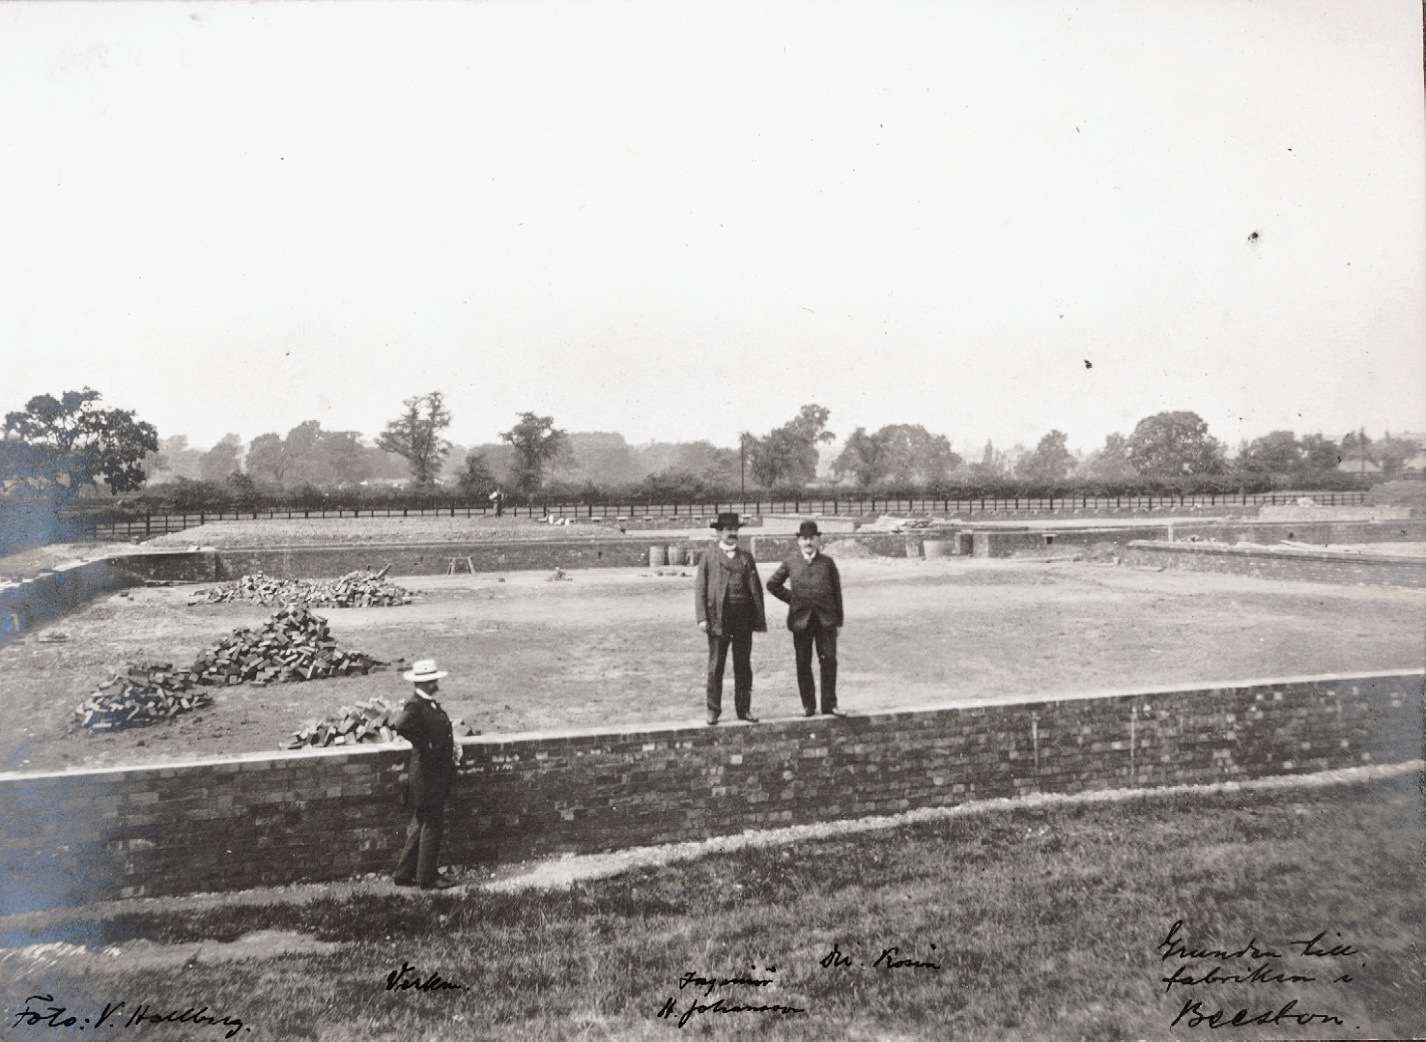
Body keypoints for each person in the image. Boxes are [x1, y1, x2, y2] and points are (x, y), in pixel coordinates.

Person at [391, 659, 462, 890]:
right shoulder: (416, 706)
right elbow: (402, 726)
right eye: (435, 679)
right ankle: (427, 878)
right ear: (428, 682)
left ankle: (403, 874)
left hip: (429, 776)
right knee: (432, 824)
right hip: (427, 777)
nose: (438, 682)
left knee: (420, 823)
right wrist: (427, 746)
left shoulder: (427, 704)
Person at [766, 521, 846, 717]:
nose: (808, 542)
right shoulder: (790, 562)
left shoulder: (827, 563)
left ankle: (829, 704)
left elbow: (837, 592)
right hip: (801, 621)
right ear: (798, 541)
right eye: (804, 538)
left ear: (818, 540)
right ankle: (808, 705)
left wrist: (839, 621)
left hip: (826, 621)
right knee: (803, 663)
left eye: (812, 538)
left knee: (829, 662)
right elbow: (772, 584)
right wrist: (793, 600)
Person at [694, 512, 767, 725]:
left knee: (743, 665)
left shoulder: (746, 557)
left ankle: (744, 709)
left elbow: (756, 589)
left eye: (735, 530)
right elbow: (700, 589)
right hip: (718, 620)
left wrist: (756, 617)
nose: (733, 533)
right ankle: (713, 711)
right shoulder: (709, 557)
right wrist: (702, 618)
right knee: (716, 666)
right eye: (728, 530)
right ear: (719, 532)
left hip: (743, 620)